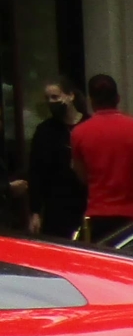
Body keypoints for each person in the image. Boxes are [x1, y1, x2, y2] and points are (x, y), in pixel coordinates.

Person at [69, 73, 133, 242]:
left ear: (91, 100)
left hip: (97, 216)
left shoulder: (78, 133)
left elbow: (81, 174)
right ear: (117, 98)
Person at [25, 82, 86, 240]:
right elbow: (36, 172)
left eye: (55, 97)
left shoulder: (87, 125)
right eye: (48, 98)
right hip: (56, 206)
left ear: (70, 96)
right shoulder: (45, 130)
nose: (51, 102)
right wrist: (35, 212)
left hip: (85, 202)